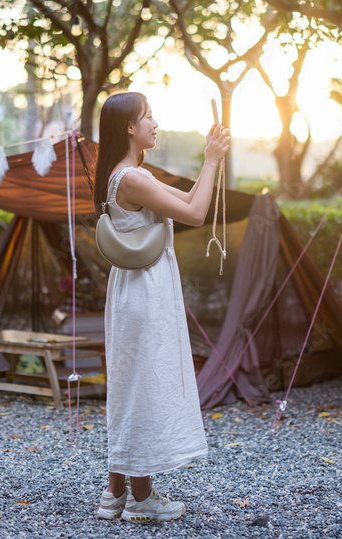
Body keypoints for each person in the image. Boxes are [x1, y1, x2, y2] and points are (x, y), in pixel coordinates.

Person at [92, 91, 230, 522]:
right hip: (143, 291)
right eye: (147, 116)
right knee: (144, 387)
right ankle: (141, 499)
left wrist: (212, 161)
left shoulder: (127, 174)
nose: (155, 122)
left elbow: (187, 202)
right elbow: (195, 211)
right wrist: (211, 160)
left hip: (134, 288)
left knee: (131, 386)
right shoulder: (131, 178)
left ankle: (114, 494)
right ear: (129, 128)